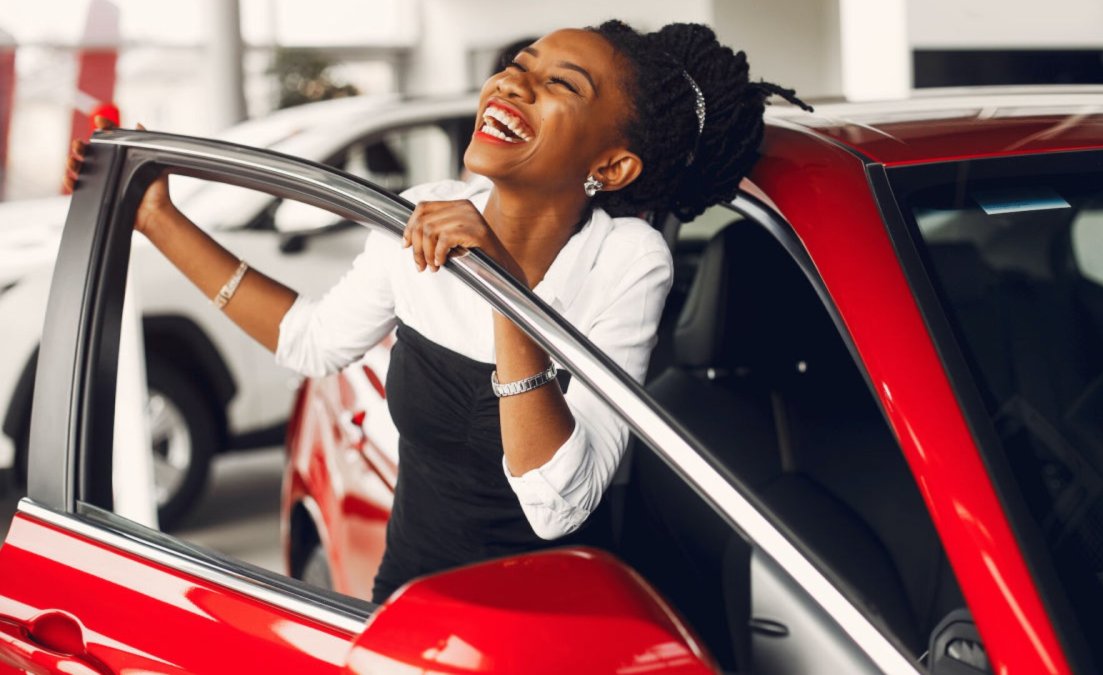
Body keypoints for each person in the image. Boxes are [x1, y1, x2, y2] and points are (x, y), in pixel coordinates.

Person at [65, 20, 812, 603]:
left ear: (611, 166)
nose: (512, 83)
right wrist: (157, 217)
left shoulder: (626, 260)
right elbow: (312, 341)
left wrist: (502, 289)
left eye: (560, 84)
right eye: (518, 65)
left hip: (555, 623)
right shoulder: (424, 211)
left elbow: (558, 506)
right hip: (411, 606)